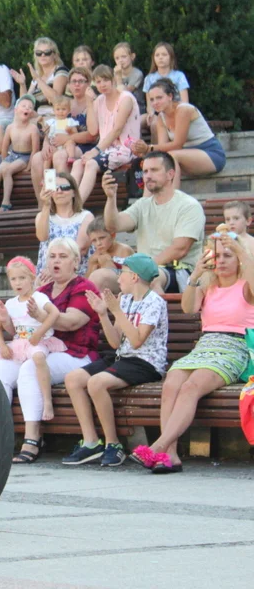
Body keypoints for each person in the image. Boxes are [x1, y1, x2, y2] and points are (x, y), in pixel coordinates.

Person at [133, 234, 254, 473]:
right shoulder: (207, 285)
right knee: (172, 383)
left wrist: (240, 251)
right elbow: (188, 308)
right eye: (216, 256)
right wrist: (195, 276)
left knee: (191, 387)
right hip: (205, 345)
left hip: (235, 346)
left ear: (239, 259)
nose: (221, 261)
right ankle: (171, 455)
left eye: (227, 256)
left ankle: (159, 445)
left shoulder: (246, 284)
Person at [0, 238, 100, 463]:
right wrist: (6, 320)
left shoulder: (83, 287)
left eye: (63, 256)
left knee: (30, 369)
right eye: (52, 256)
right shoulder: (42, 289)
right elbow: (20, 329)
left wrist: (41, 317)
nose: (56, 261)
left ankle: (32, 438)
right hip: (38, 349)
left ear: (76, 262)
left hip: (75, 354)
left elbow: (70, 323)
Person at [63, 254, 168, 467]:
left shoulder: (154, 302)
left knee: (96, 383)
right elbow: (114, 342)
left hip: (146, 362)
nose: (117, 276)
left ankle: (113, 444)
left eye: (122, 272)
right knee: (73, 379)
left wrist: (116, 311)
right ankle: (91, 442)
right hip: (123, 356)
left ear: (135, 277)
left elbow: (137, 341)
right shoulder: (126, 299)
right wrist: (103, 314)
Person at [98, 152, 205, 295]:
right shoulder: (142, 205)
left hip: (179, 271)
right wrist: (111, 198)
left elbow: (180, 249)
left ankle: (157, 317)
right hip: (140, 270)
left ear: (170, 174)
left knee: (149, 280)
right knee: (100, 278)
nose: (148, 175)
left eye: (154, 170)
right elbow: (113, 226)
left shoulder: (188, 205)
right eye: (145, 171)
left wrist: (144, 268)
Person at [0, 258, 63, 425]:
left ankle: (47, 401)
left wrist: (39, 332)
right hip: (19, 344)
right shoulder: (11, 303)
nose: (18, 283)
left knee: (39, 358)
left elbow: (54, 314)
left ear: (32, 278)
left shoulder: (39, 297)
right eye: (13, 279)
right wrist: (2, 345)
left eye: (22, 278)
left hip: (39, 341)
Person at [132, 78, 226, 186]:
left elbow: (177, 144)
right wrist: (144, 152)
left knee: (171, 157)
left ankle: (173, 198)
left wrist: (149, 148)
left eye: (159, 98)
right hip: (186, 157)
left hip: (210, 154)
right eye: (152, 99)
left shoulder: (183, 110)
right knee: (156, 162)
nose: (155, 103)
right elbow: (163, 148)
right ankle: (147, 201)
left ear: (170, 96)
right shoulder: (160, 118)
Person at [70, 65, 140, 203]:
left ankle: (77, 206)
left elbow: (117, 130)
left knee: (90, 164)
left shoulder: (125, 99)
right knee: (78, 164)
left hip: (126, 149)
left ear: (113, 80)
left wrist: (95, 151)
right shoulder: (99, 100)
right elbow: (93, 130)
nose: (102, 85)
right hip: (106, 149)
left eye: (105, 80)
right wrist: (90, 103)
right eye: (98, 81)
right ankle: (67, 203)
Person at [0, 96, 39, 212]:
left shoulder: (32, 128)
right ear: (16, 110)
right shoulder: (10, 127)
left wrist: (29, 167)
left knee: (7, 171)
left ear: (32, 113)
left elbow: (35, 150)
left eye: (30, 107)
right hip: (12, 155)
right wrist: (4, 161)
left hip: (25, 157)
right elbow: (4, 147)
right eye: (24, 106)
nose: (27, 108)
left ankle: (6, 202)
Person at [34, 172, 93, 277]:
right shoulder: (42, 215)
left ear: (74, 192)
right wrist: (46, 205)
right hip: (47, 275)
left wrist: (56, 268)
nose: (59, 191)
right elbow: (42, 237)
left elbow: (81, 248)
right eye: (55, 188)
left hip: (76, 274)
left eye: (65, 187)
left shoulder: (86, 216)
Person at [30, 96, 82, 192]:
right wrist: (41, 122)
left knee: (71, 143)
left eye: (63, 109)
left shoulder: (70, 121)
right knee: (48, 157)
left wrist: (70, 131)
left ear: (69, 110)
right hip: (54, 144)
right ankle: (46, 179)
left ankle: (71, 157)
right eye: (58, 109)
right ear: (53, 110)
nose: (61, 112)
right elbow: (45, 132)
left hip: (65, 144)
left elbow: (75, 135)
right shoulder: (52, 122)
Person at [11, 37, 69, 115]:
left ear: (55, 55)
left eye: (47, 52)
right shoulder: (38, 74)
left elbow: (56, 99)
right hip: (37, 118)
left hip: (56, 117)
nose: (43, 55)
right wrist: (22, 84)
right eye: (39, 53)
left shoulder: (60, 71)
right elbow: (26, 103)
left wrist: (38, 79)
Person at [141, 41, 190, 107]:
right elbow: (149, 104)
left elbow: (185, 102)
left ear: (171, 57)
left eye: (164, 54)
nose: (160, 57)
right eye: (157, 55)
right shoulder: (149, 79)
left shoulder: (179, 76)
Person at [112, 42, 144, 107]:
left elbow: (124, 94)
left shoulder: (137, 74)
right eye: (117, 58)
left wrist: (118, 77)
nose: (120, 60)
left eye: (123, 57)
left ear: (132, 56)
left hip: (137, 108)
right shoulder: (114, 73)